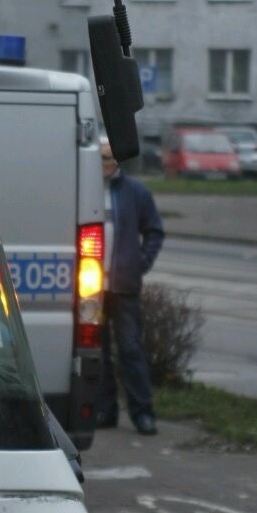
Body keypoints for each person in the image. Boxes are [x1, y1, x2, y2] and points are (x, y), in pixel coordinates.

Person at [97, 138, 165, 435]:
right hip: (91, 290)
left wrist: (140, 263)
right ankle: (105, 410)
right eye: (100, 157)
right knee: (96, 353)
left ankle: (143, 413)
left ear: (119, 160)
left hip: (124, 286)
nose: (105, 162)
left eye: (111, 157)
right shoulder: (83, 189)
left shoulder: (135, 192)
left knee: (131, 350)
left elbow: (154, 231)